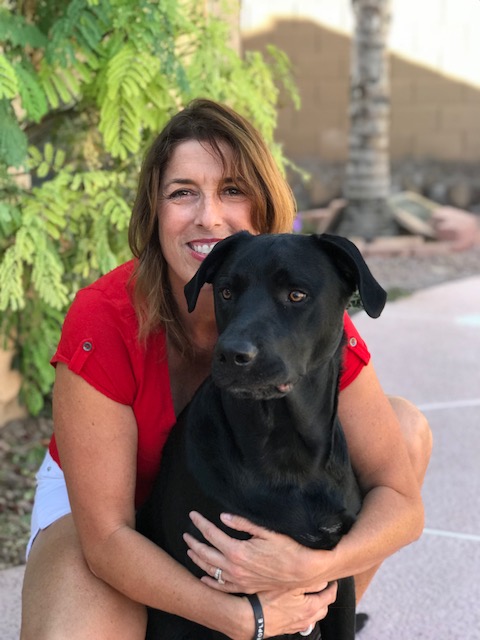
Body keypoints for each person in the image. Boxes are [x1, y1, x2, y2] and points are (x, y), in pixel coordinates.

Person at [20, 98, 432, 640]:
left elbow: (401, 505)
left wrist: (310, 573)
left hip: (236, 492)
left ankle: (302, 619)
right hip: (108, 513)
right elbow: (108, 539)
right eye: (182, 192)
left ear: (261, 207)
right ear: (154, 211)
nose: (207, 215)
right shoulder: (106, 317)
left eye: (231, 190)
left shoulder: (305, 312)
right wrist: (245, 618)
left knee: (403, 427)